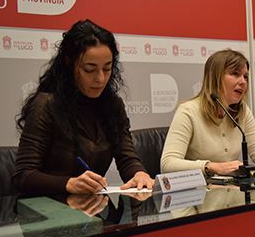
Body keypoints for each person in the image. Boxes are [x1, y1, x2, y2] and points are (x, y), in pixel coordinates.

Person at [13, 19, 154, 196]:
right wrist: (68, 184)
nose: (100, 79)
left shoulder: (113, 105)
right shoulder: (46, 105)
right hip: (46, 211)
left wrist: (139, 174)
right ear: (69, 63)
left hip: (91, 212)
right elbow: (23, 176)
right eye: (89, 69)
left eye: (107, 69)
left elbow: (126, 157)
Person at [161, 49, 255, 176]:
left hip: (232, 194)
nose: (243, 81)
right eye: (235, 74)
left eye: (245, 76)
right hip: (197, 200)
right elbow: (168, 164)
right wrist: (211, 166)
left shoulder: (241, 110)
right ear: (215, 77)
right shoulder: (189, 111)